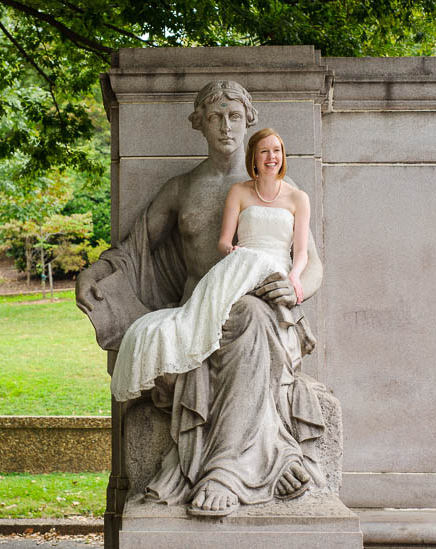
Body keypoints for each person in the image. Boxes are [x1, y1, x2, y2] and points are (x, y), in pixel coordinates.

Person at [76, 81, 325, 517]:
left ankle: (227, 470)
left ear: (248, 121)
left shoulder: (282, 191)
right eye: (215, 117)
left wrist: (297, 286)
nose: (225, 126)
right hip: (200, 313)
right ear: (200, 125)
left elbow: (312, 262)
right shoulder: (182, 189)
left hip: (259, 308)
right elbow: (136, 247)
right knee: (236, 322)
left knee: (251, 315)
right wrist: (96, 271)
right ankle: (272, 459)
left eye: (233, 116)